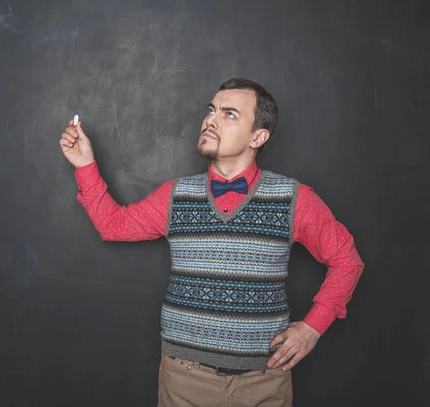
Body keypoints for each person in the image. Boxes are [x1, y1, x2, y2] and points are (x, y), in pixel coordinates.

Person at [59, 78, 364, 407]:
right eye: (211, 110)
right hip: (184, 377)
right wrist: (85, 165)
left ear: (258, 136)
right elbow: (113, 225)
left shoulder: (294, 198)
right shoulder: (176, 195)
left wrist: (313, 327)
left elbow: (347, 260)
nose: (211, 119)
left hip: (265, 379)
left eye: (229, 114)